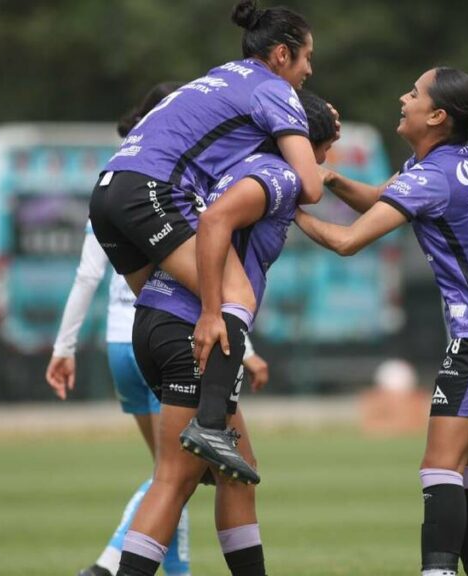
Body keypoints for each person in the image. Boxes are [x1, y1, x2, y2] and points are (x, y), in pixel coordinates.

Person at [294, 67, 468, 576]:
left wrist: (284, 207)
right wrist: (334, 179)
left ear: (437, 116)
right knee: (465, 474)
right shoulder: (453, 158)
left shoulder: (434, 175)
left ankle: (438, 571)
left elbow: (347, 241)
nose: (403, 98)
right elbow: (387, 200)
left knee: (439, 468)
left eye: (414, 93)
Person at [88, 0, 321, 484]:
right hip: (150, 191)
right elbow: (311, 185)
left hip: (109, 190)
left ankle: (189, 420)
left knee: (157, 306)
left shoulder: (220, 75)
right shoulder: (273, 89)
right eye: (305, 59)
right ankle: (209, 426)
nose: (308, 71)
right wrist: (215, 310)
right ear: (281, 55)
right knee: (233, 296)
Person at [45, 82, 270, 576]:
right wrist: (245, 347)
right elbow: (207, 279)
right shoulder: (176, 190)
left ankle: (124, 565)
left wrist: (64, 346)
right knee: (174, 476)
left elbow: (88, 274)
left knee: (174, 474)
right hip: (177, 337)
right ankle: (117, 566)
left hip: (123, 342)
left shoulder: (117, 186)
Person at [115, 90, 339, 576]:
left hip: (161, 319)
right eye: (327, 145)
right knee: (174, 479)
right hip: (192, 331)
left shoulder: (245, 168)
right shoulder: (276, 174)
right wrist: (213, 310)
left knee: (237, 473)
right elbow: (216, 221)